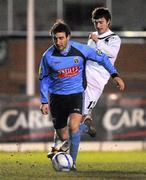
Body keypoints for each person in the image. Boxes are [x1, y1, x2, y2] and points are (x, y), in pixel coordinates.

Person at [39, 19, 125, 171]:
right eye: (55, 38)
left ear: (68, 37)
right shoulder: (48, 56)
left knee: (73, 126)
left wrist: (115, 75)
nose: (58, 42)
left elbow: (103, 58)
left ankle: (72, 163)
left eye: (61, 38)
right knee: (64, 136)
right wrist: (44, 101)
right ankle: (84, 127)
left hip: (76, 95)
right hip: (56, 98)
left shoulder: (81, 50)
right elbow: (44, 79)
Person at [81, 7, 122, 137]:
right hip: (84, 74)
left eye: (101, 22)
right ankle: (64, 146)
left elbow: (111, 53)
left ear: (108, 22)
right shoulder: (93, 37)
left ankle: (85, 123)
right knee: (75, 110)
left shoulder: (114, 38)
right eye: (95, 22)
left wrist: (97, 41)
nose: (98, 25)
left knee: (81, 112)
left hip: (98, 78)